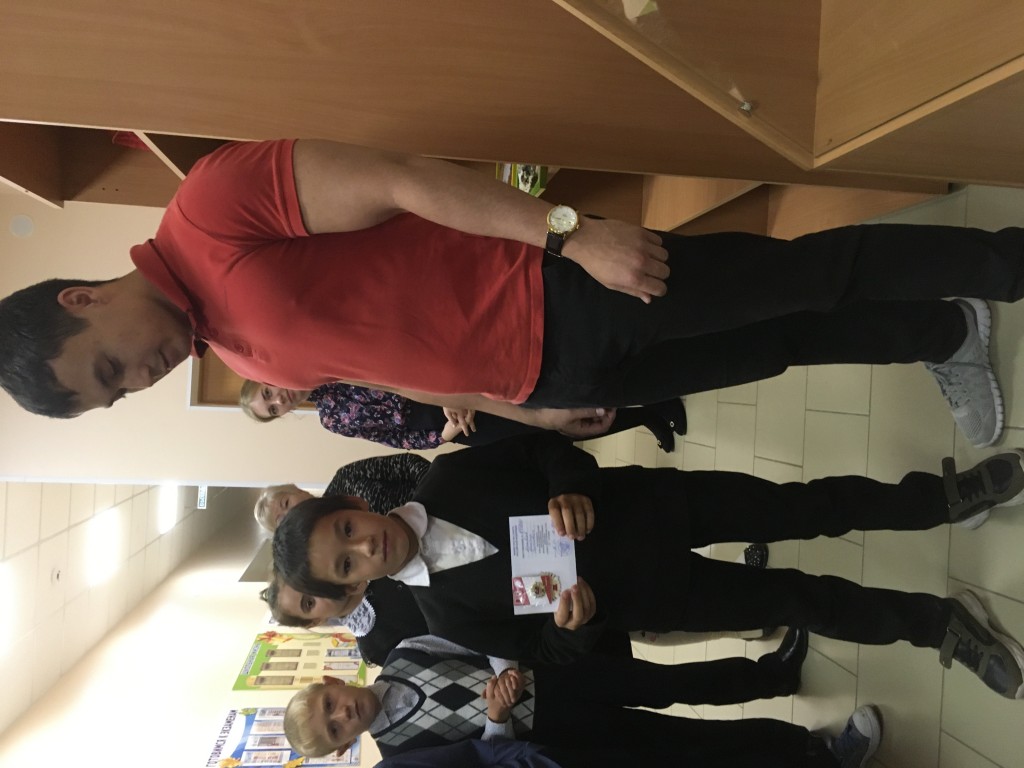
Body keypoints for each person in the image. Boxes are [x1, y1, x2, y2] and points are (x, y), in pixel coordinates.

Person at [1, 139, 1018, 449]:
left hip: (563, 288)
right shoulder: (232, 351)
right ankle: (942, 331)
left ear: (82, 300)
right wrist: (517, 409)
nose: (139, 377)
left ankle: (1003, 265)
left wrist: (574, 234)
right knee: (780, 343)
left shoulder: (212, 207)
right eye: (119, 393)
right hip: (557, 374)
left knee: (809, 274)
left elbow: (402, 180)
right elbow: (390, 369)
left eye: (109, 367)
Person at [272, 433, 1024, 699]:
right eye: (347, 563)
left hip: (659, 507)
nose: (365, 546)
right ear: (353, 587)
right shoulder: (448, 614)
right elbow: (541, 653)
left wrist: (571, 484)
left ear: (354, 503)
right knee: (801, 600)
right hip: (658, 595)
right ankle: (937, 625)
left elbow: (546, 449)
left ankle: (942, 498)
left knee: (807, 507)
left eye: (349, 529)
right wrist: (573, 627)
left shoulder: (450, 477)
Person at [281, 634, 875, 768]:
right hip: (561, 737)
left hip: (562, 679)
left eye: (329, 705)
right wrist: (496, 720)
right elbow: (482, 761)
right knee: (682, 744)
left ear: (332, 682)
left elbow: (476, 639)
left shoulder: (405, 651)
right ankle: (797, 747)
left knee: (668, 683)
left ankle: (772, 675)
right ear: (342, 747)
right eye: (334, 731)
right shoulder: (401, 755)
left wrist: (504, 669)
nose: (342, 716)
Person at [262, 567, 808, 697]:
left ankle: (748, 608)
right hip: (539, 657)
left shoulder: (376, 569)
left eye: (309, 586)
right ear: (313, 622)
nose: (319, 595)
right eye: (307, 605)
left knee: (650, 607)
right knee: (654, 670)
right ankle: (758, 648)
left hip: (538, 587)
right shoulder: (375, 649)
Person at [240, 380, 686, 451]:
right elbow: (397, 440)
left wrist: (449, 393)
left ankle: (652, 394)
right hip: (448, 425)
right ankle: (646, 415)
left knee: (552, 397)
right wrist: (446, 433)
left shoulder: (325, 361)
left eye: (267, 393)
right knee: (554, 432)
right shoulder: (331, 419)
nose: (279, 400)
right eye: (273, 409)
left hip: (447, 384)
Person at [254, 453, 431, 533]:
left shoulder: (345, 477)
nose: (290, 512)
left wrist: (435, 494)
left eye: (286, 503)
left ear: (297, 490)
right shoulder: (335, 548)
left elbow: (407, 464)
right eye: (282, 520)